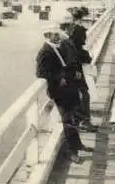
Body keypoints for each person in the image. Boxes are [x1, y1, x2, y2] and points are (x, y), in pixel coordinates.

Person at [35, 24, 92, 163]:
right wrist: (59, 78)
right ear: (47, 36)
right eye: (55, 35)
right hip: (58, 91)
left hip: (67, 88)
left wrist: (73, 73)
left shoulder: (57, 48)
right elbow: (40, 72)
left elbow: (64, 66)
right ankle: (73, 152)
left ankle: (77, 144)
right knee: (68, 120)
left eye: (57, 34)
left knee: (73, 116)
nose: (58, 36)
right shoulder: (45, 52)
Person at [59, 12, 96, 132]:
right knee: (82, 95)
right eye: (68, 26)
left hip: (75, 72)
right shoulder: (64, 41)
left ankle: (82, 121)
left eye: (71, 25)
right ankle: (82, 122)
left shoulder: (68, 39)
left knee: (83, 95)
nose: (71, 27)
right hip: (71, 74)